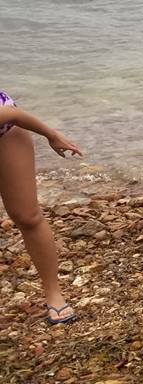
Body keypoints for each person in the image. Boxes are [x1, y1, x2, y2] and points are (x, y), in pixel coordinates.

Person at [0, 92, 82, 324]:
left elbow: (13, 114)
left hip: (6, 130)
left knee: (27, 216)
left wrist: (52, 135)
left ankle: (54, 293)